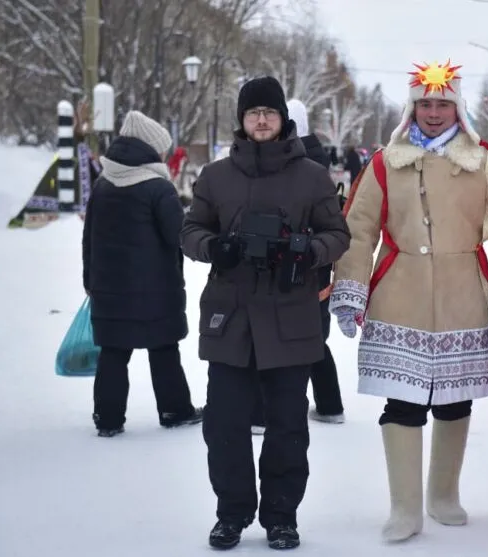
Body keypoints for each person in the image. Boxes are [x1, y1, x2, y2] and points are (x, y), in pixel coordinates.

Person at [328, 60, 488, 543]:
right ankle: (405, 507)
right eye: (425, 104)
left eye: (443, 103)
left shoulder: (486, 161)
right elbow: (358, 230)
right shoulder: (385, 161)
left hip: (463, 295)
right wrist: (351, 288)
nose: (434, 112)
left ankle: (443, 496)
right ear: (412, 108)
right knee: (403, 402)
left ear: (458, 107)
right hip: (400, 295)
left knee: (454, 401)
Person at [180, 76, 350, 550]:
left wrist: (306, 251)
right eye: (253, 113)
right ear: (241, 119)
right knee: (224, 424)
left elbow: (338, 235)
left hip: (289, 315)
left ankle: (281, 516)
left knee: (288, 426)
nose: (260, 120)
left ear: (282, 119)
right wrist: (217, 246)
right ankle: (231, 513)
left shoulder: (312, 176)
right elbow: (190, 230)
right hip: (231, 317)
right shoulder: (216, 176)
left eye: (269, 113)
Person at [82, 110, 201, 438]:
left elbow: (88, 237)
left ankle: (108, 419)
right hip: (155, 291)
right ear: (149, 149)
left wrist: (90, 281)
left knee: (113, 354)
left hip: (108, 291)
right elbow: (177, 234)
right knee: (164, 350)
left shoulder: (103, 184)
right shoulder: (158, 188)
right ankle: (174, 409)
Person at [248, 98, 345, 435]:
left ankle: (261, 414)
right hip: (315, 263)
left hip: (287, 260)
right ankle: (330, 404)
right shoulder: (319, 161)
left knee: (269, 338)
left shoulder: (289, 162)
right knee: (313, 338)